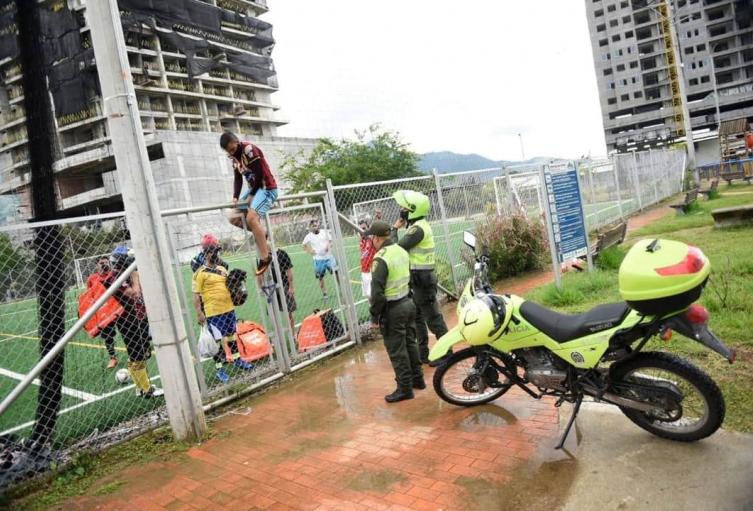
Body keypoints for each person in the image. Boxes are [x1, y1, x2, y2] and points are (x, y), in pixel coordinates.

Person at [366, 221, 424, 403]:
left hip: (393, 309)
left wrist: (375, 315)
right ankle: (418, 379)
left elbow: (377, 293)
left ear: (376, 238)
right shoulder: (400, 250)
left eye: (371, 238)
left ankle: (404, 388)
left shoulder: (381, 258)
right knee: (410, 343)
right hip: (407, 302)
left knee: (397, 350)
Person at [392, 190, 449, 364]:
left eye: (404, 208)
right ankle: (423, 354)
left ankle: (447, 353)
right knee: (417, 318)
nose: (401, 210)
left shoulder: (418, 229)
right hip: (417, 280)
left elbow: (397, 248)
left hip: (422, 280)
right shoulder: (417, 226)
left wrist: (395, 228)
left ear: (413, 210)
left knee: (433, 318)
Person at [105, 246, 163, 398]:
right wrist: (135, 275)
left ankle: (141, 387)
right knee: (137, 354)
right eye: (130, 258)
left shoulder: (123, 275)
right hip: (130, 321)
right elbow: (135, 294)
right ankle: (147, 390)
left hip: (138, 318)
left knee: (139, 354)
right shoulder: (117, 277)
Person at [192, 244, 254, 384]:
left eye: (217, 252)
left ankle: (238, 360)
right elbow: (196, 295)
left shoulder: (222, 269)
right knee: (217, 342)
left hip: (228, 309)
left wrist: (238, 291)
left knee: (232, 335)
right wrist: (199, 313)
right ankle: (220, 369)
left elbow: (230, 286)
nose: (215, 255)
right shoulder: (199, 273)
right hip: (213, 312)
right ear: (206, 254)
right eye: (213, 252)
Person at [221, 131, 278, 276]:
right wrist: (235, 197)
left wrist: (251, 196)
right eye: (228, 152)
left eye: (232, 149)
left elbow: (259, 174)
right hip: (254, 189)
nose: (231, 153)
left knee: (251, 218)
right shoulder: (234, 158)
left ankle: (265, 257)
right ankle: (261, 233)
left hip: (266, 188)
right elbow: (238, 179)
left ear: (236, 141)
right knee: (233, 217)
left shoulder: (249, 149)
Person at [257, 235, 297, 329]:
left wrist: (291, 287)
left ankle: (293, 335)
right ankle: (278, 336)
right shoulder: (263, 258)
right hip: (270, 289)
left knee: (289, 313)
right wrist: (261, 288)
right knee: (273, 315)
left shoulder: (281, 254)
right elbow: (260, 275)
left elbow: (289, 272)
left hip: (283, 286)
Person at [86, 256, 119, 369]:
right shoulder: (92, 278)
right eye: (101, 263)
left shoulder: (114, 274)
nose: (104, 265)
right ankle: (113, 358)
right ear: (97, 265)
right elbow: (90, 295)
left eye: (106, 262)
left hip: (118, 308)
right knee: (108, 336)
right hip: (105, 313)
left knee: (126, 330)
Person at [302, 219, 339, 301]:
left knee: (336, 272)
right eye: (313, 226)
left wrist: (328, 246)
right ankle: (325, 294)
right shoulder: (309, 236)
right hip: (318, 260)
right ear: (310, 228)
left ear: (318, 225)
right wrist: (310, 251)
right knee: (320, 278)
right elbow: (304, 246)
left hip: (329, 257)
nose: (315, 227)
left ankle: (341, 288)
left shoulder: (324, 232)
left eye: (316, 225)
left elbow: (331, 241)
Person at [358, 216, 378, 302]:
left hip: (372, 269)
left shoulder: (372, 238)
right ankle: (373, 312)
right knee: (368, 295)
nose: (362, 231)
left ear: (368, 228)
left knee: (373, 294)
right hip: (364, 269)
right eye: (360, 229)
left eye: (364, 228)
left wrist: (377, 218)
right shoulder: (361, 239)